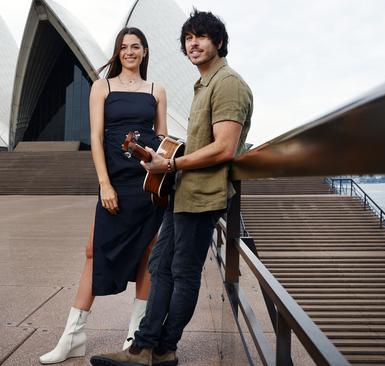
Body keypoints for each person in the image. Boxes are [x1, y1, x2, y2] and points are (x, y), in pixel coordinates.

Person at [90, 9, 253, 366]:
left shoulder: (228, 84)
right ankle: (144, 347)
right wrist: (161, 154)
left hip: (203, 197)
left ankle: (165, 348)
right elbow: (198, 144)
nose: (193, 44)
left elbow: (225, 147)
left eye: (202, 37)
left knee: (183, 272)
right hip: (184, 194)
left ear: (219, 42)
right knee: (161, 266)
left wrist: (172, 163)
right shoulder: (204, 84)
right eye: (188, 38)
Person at [39, 27, 168, 364]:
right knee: (94, 252)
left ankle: (134, 338)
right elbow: (96, 138)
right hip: (115, 182)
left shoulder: (156, 90)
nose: (129, 52)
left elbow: (162, 137)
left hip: (146, 185)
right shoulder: (102, 87)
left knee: (148, 254)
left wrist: (161, 168)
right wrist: (104, 184)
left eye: (135, 46)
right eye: (123, 47)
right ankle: (73, 337)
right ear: (117, 52)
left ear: (144, 51)